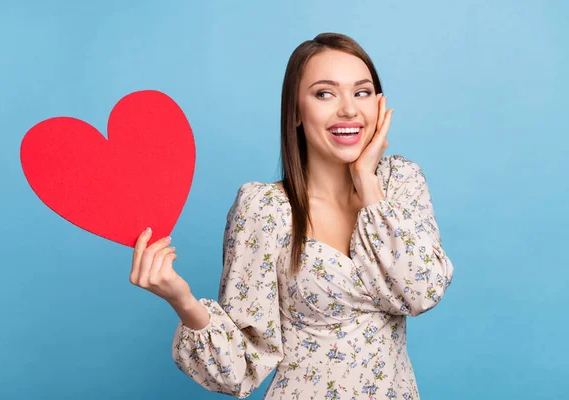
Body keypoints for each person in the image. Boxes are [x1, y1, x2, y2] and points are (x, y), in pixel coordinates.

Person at [129, 32, 454, 400]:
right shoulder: (263, 209)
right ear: (296, 111)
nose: (348, 109)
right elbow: (242, 367)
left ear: (379, 105)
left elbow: (422, 292)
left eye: (361, 92)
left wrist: (366, 181)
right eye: (324, 93)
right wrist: (182, 299)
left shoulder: (399, 184)